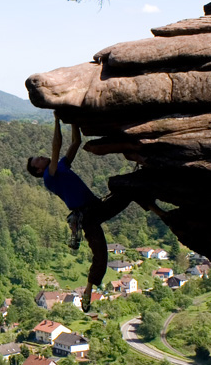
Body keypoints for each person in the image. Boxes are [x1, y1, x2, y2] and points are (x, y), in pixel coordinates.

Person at [27, 111, 139, 312]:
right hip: (86, 216)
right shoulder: (49, 177)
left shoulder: (61, 166)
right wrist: (56, 120)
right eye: (38, 160)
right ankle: (88, 291)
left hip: (96, 207)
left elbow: (76, 142)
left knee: (128, 192)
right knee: (101, 253)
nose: (42, 157)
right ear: (38, 170)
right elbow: (57, 146)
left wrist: (74, 120)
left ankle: (157, 208)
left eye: (40, 157)